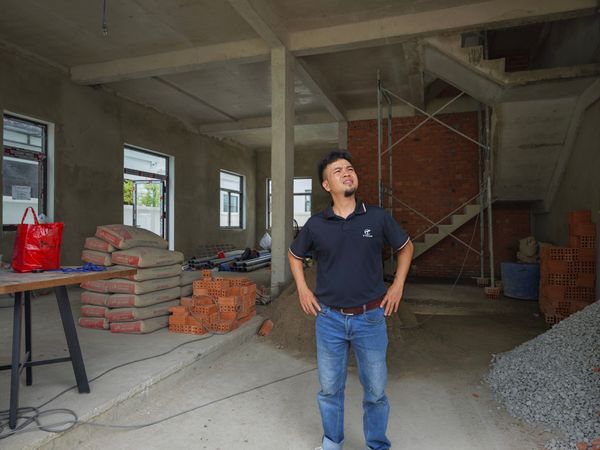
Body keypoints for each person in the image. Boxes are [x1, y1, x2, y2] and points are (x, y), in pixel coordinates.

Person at [288, 150, 413, 450]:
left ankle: (377, 445)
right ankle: (332, 443)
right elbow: (294, 255)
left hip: (370, 318)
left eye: (350, 168)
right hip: (329, 319)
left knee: (376, 391)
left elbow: (406, 247)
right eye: (338, 171)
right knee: (330, 390)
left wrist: (397, 285)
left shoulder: (377, 217)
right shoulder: (316, 224)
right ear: (326, 185)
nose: (347, 173)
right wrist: (303, 289)